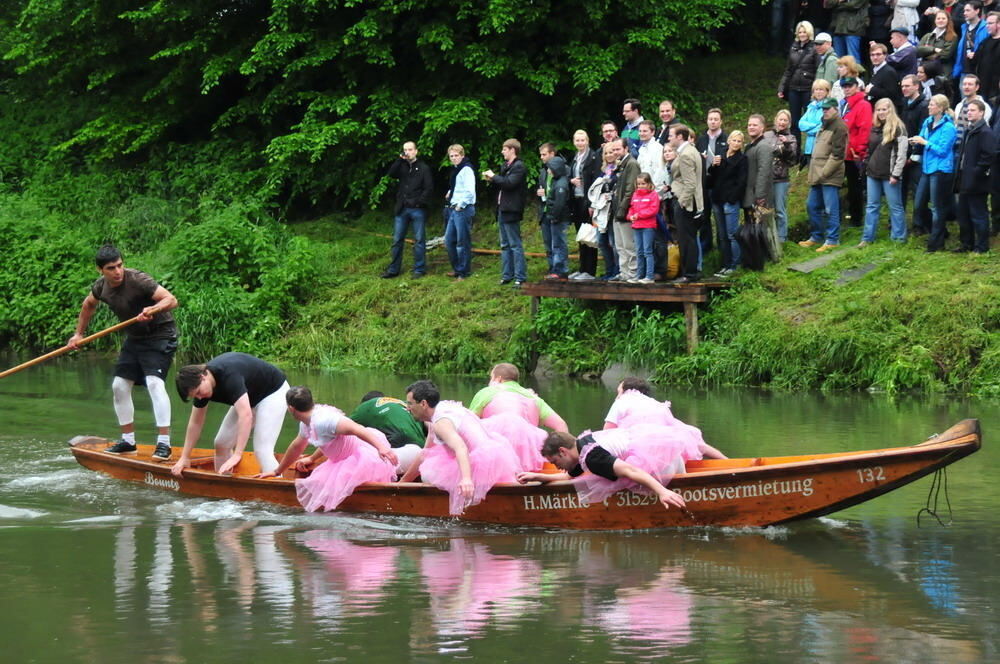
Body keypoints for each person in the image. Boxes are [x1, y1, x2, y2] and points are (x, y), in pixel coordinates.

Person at [68, 245, 179, 459]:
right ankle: (128, 442)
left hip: (160, 334)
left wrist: (153, 309)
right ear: (100, 270)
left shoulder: (138, 279)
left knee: (154, 383)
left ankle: (164, 444)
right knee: (119, 386)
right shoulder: (101, 287)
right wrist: (78, 334)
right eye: (111, 268)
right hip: (135, 338)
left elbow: (171, 300)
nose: (117, 271)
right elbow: (88, 305)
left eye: (120, 265)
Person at [257, 387, 398, 511]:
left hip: (361, 458)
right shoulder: (307, 423)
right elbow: (297, 447)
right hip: (339, 461)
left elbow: (358, 429)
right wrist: (277, 471)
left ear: (291, 409)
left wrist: (381, 448)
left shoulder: (325, 420)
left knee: (321, 490)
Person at [401, 380, 520, 515]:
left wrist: (466, 479)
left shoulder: (441, 422)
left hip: (481, 463)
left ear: (423, 404)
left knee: (428, 474)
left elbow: (460, 447)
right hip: (497, 456)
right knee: (432, 459)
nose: (407, 408)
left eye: (410, 403)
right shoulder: (443, 408)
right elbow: (425, 452)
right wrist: (403, 482)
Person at [171, 352, 290, 476]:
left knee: (262, 450)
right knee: (221, 443)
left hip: (273, 393)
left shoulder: (229, 376)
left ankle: (278, 488)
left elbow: (246, 416)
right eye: (195, 396)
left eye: (199, 392)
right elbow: (195, 423)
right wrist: (185, 457)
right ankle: (224, 488)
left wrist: (238, 454)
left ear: (203, 376)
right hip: (249, 398)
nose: (199, 397)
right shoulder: (202, 388)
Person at [517, 429, 690, 511]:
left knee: (626, 480)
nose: (557, 467)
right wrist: (538, 476)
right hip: (668, 454)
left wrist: (662, 491)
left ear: (563, 451)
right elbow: (570, 476)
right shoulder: (582, 446)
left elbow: (631, 470)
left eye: (555, 462)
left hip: (662, 463)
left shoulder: (592, 457)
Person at [602, 377, 727, 459]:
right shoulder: (656, 404)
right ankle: (727, 462)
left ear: (626, 392)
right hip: (667, 448)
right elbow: (673, 427)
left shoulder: (622, 401)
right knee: (696, 442)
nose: (617, 396)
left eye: (619, 392)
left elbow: (607, 432)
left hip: (641, 451)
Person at [910, 94, 958, 252]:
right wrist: (915, 140)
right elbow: (923, 137)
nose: (929, 107)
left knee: (938, 207)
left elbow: (943, 151)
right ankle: (940, 232)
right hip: (927, 168)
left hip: (941, 169)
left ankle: (935, 243)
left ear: (941, 108)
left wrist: (925, 143)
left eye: (932, 104)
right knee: (919, 205)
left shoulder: (949, 127)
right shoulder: (928, 121)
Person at [859, 98, 910, 246]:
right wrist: (866, 165)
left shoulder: (899, 128)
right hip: (872, 173)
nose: (881, 112)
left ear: (890, 110)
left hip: (890, 175)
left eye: (884, 109)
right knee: (871, 206)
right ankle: (867, 238)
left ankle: (899, 238)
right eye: (879, 110)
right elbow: (869, 149)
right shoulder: (874, 127)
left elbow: (902, 154)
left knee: (895, 206)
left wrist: (896, 174)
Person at [801, 99, 848, 250]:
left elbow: (838, 155)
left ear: (835, 109)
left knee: (830, 208)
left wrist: (824, 173)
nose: (825, 111)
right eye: (823, 109)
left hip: (830, 175)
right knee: (812, 205)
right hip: (818, 174)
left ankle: (832, 240)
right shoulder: (824, 123)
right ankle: (817, 236)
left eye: (828, 109)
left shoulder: (840, 126)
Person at [382, 141, 433, 279]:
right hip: (402, 208)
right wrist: (400, 159)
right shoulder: (402, 166)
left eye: (410, 149)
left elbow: (428, 188)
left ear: (416, 151)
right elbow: (391, 173)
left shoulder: (423, 168)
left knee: (419, 239)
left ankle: (419, 269)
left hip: (417, 209)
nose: (408, 152)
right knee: (397, 239)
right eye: (405, 150)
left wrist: (419, 202)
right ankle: (393, 269)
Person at [468, 363, 569, 432]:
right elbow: (561, 425)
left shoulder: (487, 392)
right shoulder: (533, 397)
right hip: (529, 451)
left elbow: (468, 423)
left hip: (497, 449)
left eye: (491, 378)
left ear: (498, 379)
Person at [483, 139, 528, 287]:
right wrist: (491, 180)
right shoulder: (505, 166)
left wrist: (494, 176)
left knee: (515, 244)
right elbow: (501, 184)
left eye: (504, 149)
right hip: (501, 209)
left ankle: (520, 276)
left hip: (512, 209)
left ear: (512, 150)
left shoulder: (519, 166)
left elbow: (509, 183)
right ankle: (507, 275)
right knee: (504, 244)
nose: (502, 152)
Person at [953, 99, 996, 252]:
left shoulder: (985, 132)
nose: (969, 113)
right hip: (964, 178)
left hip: (977, 181)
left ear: (981, 113)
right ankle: (966, 244)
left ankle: (982, 246)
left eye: (972, 110)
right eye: (968, 110)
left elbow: (989, 155)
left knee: (978, 215)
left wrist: (976, 171)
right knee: (963, 214)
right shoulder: (968, 130)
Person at [350, 390, 427, 465]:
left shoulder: (366, 406)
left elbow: (345, 426)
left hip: (397, 438)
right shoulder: (403, 403)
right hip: (421, 445)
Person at [709, 130, 748, 277]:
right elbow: (712, 176)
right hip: (718, 198)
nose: (736, 143)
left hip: (730, 201)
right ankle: (726, 264)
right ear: (729, 141)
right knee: (722, 235)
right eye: (734, 140)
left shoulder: (742, 159)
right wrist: (713, 165)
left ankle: (735, 264)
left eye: (739, 141)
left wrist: (732, 198)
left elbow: (742, 181)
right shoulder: (721, 154)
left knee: (732, 234)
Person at [669, 125, 704, 284]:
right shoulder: (689, 150)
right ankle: (690, 271)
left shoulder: (686, 155)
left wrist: (682, 202)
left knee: (686, 239)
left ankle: (690, 273)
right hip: (688, 200)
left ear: (680, 137)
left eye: (671, 135)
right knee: (688, 237)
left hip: (687, 203)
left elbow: (690, 183)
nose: (669, 138)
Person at [696, 108, 729, 264]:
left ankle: (723, 248)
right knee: (704, 217)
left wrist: (721, 160)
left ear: (721, 121)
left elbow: (731, 159)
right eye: (710, 119)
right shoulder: (701, 139)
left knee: (719, 217)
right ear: (707, 121)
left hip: (719, 184)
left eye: (716, 119)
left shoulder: (727, 138)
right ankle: (706, 246)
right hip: (703, 183)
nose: (713, 121)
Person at [568, 130, 602, 281]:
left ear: (587, 141)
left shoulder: (593, 156)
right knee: (580, 236)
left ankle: (590, 270)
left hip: (587, 200)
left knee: (589, 235)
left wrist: (592, 202)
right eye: (577, 140)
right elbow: (570, 175)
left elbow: (595, 179)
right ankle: (582, 268)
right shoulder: (575, 157)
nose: (580, 143)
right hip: (576, 198)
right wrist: (571, 181)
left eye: (582, 140)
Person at [842, 76, 873, 228]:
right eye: (844, 86)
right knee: (851, 186)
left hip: (855, 154)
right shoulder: (846, 104)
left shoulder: (863, 105)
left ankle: (857, 219)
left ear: (857, 86)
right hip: (846, 152)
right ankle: (853, 216)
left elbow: (864, 129)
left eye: (850, 85)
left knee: (856, 187)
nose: (847, 88)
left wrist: (860, 151)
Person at [778, 21, 819, 139]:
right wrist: (781, 87)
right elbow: (788, 70)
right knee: (795, 121)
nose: (802, 34)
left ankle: (810, 150)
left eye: (804, 31)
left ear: (809, 32)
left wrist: (815, 89)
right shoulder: (793, 47)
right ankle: (795, 150)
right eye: (800, 32)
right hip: (793, 88)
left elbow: (818, 70)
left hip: (808, 88)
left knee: (810, 120)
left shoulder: (814, 48)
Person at [900, 75, 931, 230]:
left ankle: (921, 224)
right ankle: (899, 223)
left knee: (919, 192)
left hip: (917, 156)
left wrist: (914, 156)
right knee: (901, 190)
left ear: (916, 86)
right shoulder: (904, 103)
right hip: (902, 153)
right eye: (903, 86)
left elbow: (923, 131)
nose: (904, 88)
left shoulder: (924, 106)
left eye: (907, 86)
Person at [537, 143, 571, 280]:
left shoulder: (562, 181)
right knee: (551, 243)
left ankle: (560, 270)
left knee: (558, 244)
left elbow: (560, 202)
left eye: (544, 154)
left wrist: (554, 215)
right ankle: (553, 269)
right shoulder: (545, 174)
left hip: (558, 216)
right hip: (547, 213)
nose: (542, 158)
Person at [610, 137, 641, 282]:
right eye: (613, 150)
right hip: (616, 210)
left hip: (626, 211)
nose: (615, 152)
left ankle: (633, 273)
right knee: (620, 246)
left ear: (626, 148)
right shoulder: (620, 165)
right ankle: (624, 272)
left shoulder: (632, 164)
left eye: (618, 149)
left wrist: (623, 209)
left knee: (629, 245)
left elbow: (630, 189)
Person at [444, 144, 476, 280]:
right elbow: (458, 186)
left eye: (456, 155)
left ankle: (463, 272)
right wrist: (451, 192)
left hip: (463, 209)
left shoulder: (466, 169)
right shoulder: (457, 170)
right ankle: (457, 268)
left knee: (462, 242)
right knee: (449, 240)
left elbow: (470, 191)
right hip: (453, 208)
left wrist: (460, 205)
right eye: (451, 156)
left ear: (462, 155)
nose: (454, 158)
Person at [589, 142, 620, 280]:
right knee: (602, 241)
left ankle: (617, 270)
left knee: (614, 242)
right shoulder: (603, 170)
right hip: (600, 210)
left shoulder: (619, 169)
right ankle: (609, 270)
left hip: (612, 209)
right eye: (606, 153)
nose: (609, 155)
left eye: (611, 152)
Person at [770, 109, 799, 243]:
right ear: (776, 120)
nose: (782, 122)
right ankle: (770, 237)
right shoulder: (767, 135)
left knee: (780, 209)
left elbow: (792, 159)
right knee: (767, 209)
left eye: (785, 120)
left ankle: (782, 238)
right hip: (766, 178)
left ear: (789, 123)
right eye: (780, 119)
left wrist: (786, 144)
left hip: (781, 178)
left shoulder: (791, 138)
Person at [627, 172, 660, 284]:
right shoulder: (635, 194)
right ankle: (639, 275)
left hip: (648, 226)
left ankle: (649, 276)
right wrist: (630, 216)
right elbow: (631, 208)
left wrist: (639, 215)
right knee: (639, 251)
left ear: (649, 183)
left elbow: (653, 210)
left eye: (643, 184)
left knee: (648, 251)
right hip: (636, 226)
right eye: (639, 184)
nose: (640, 186)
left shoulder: (653, 194)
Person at [742, 114, 774, 228]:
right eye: (749, 125)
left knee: (759, 232)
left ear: (762, 128)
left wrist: (759, 197)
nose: (751, 127)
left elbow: (763, 172)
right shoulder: (750, 146)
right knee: (750, 229)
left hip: (758, 198)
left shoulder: (763, 146)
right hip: (749, 195)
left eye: (755, 125)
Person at [799, 79, 834, 168]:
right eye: (816, 89)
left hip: (822, 146)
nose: (818, 92)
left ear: (827, 91)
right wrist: (814, 126)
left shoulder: (830, 107)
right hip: (809, 147)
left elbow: (822, 127)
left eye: (821, 89)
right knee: (811, 176)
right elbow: (801, 124)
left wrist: (809, 128)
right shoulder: (811, 106)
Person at [953, 1, 989, 83]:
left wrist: (977, 54)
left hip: (980, 71)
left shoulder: (986, 27)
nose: (965, 13)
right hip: (964, 71)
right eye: (964, 11)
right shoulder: (964, 27)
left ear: (977, 11)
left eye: (968, 10)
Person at [828, 0, 870, 64]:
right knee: (838, 59)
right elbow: (829, 3)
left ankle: (854, 74)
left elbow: (853, 5)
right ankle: (840, 74)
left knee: (853, 58)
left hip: (854, 28)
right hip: (838, 28)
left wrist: (838, 4)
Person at [866, 42, 902, 111]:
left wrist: (871, 90)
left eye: (878, 54)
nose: (875, 57)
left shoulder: (889, 72)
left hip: (887, 111)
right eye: (872, 55)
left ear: (885, 55)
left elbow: (892, 94)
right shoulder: (873, 68)